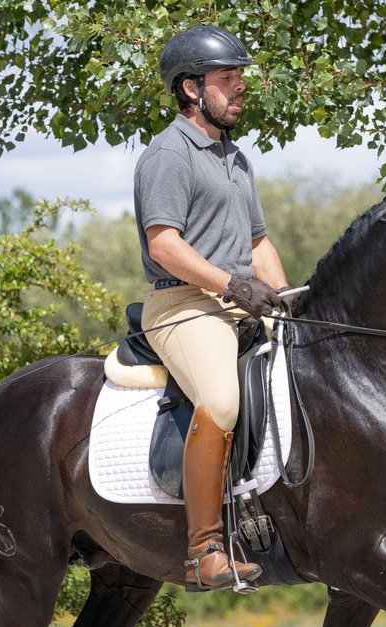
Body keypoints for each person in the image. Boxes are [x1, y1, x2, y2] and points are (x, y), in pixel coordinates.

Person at [133, 24, 290, 591]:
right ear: (191, 88)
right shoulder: (168, 154)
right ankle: (203, 550)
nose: (240, 87)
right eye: (228, 78)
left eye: (240, 77)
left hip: (237, 301)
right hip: (182, 305)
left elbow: (258, 244)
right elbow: (163, 245)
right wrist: (232, 286)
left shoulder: (235, 157)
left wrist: (288, 300)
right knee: (221, 399)